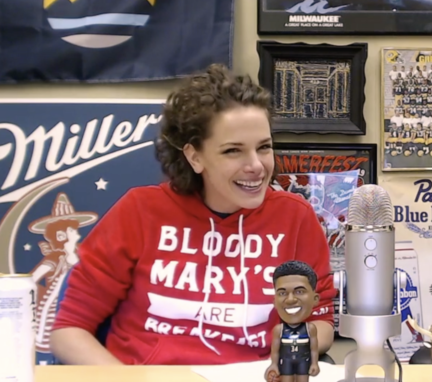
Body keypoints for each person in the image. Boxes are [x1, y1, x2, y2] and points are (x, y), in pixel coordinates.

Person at [50, 64, 336, 365]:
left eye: (264, 148)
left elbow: (320, 321)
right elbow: (69, 331)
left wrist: (280, 365)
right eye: (233, 151)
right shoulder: (139, 211)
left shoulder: (295, 218)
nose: (256, 165)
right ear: (194, 156)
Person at [265, 260, 321, 382]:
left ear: (315, 299)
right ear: (274, 301)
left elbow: (314, 349)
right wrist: (273, 365)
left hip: (303, 360)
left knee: (303, 376)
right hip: (286, 361)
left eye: (299, 291)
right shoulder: (279, 330)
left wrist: (314, 363)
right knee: (286, 379)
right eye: (282, 293)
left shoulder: (310, 328)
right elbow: (275, 351)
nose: (290, 299)